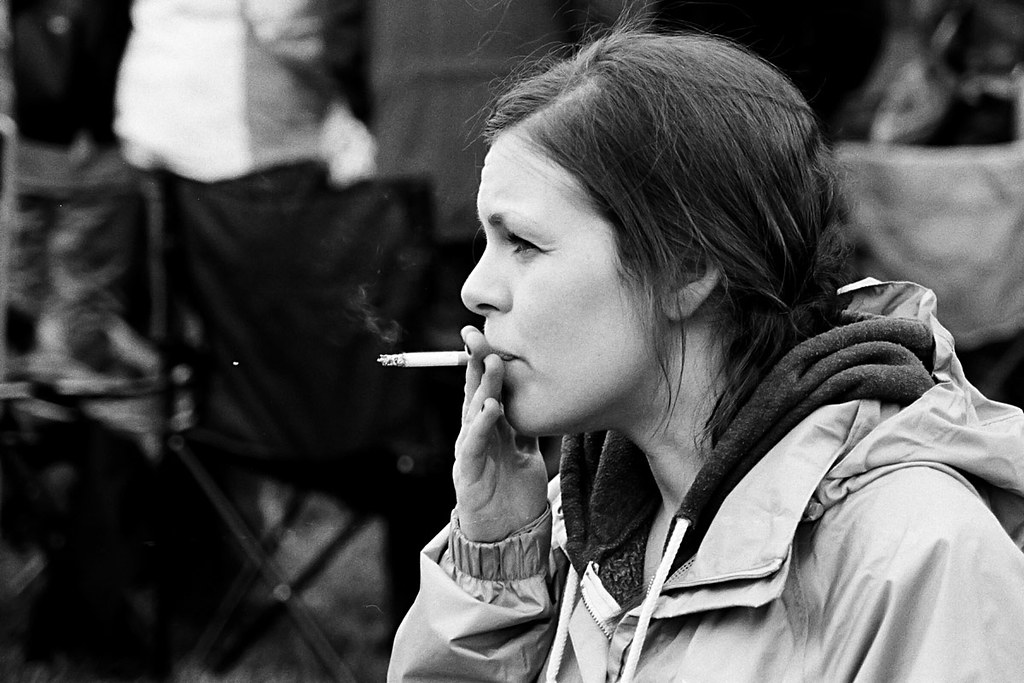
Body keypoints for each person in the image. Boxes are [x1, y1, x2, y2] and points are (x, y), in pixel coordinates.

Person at [387, 26, 1024, 682]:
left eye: (522, 242)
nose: (474, 289)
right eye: (485, 243)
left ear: (686, 268)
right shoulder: (571, 528)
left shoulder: (915, 555)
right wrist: (498, 565)